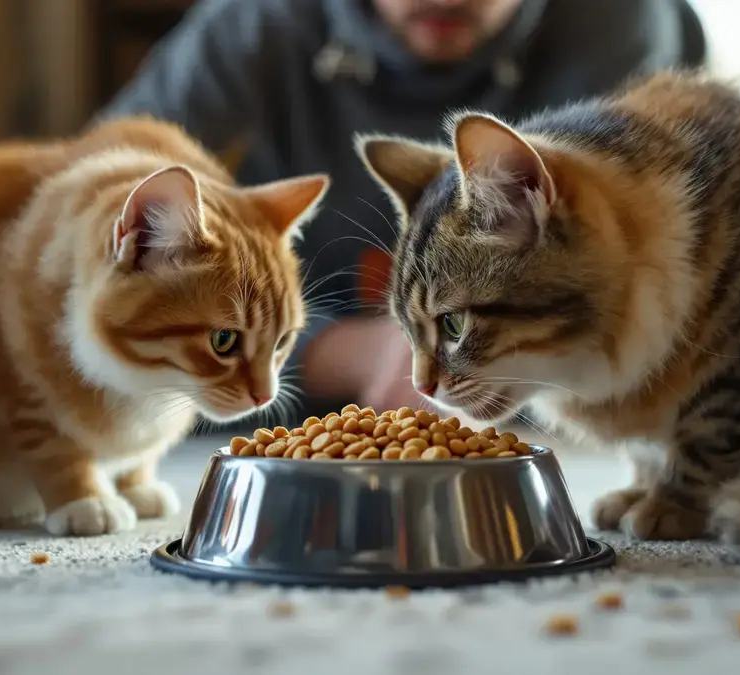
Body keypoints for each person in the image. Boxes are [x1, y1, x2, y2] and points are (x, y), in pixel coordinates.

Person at [98, 0, 707, 418]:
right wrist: (344, 352)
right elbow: (98, 209)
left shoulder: (620, 21)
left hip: (544, 397)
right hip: (270, 372)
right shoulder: (255, 23)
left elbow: (636, 313)